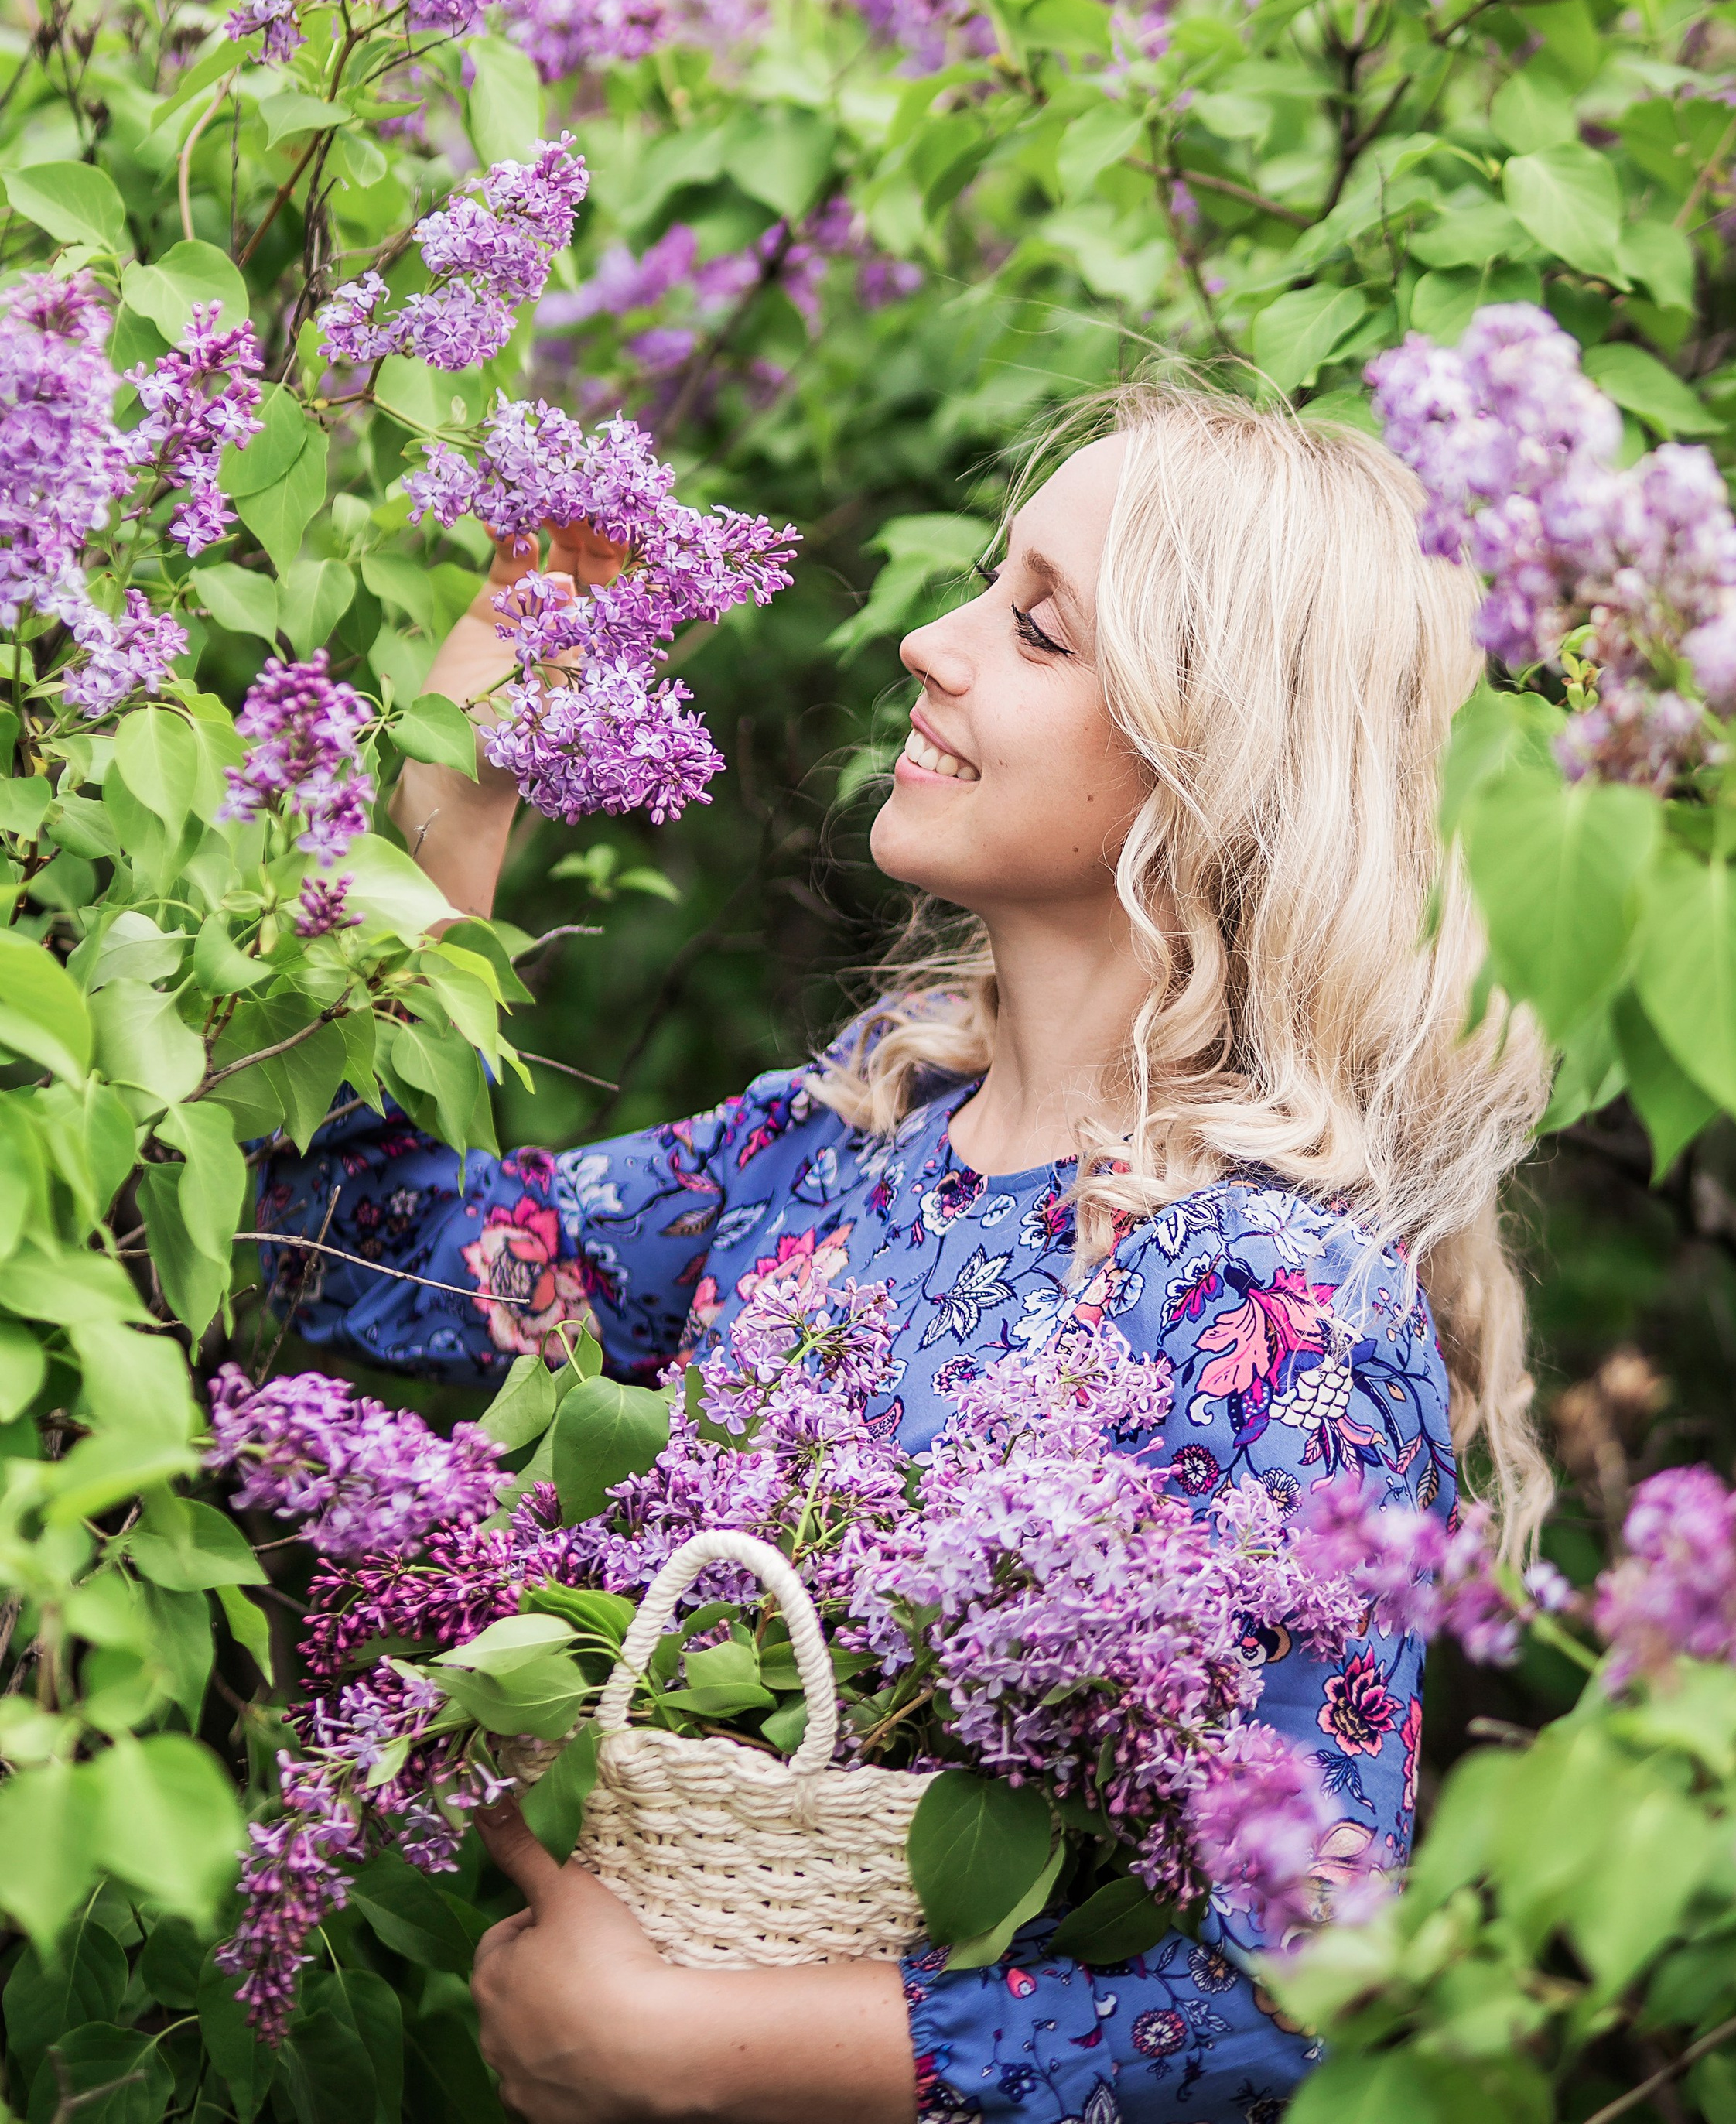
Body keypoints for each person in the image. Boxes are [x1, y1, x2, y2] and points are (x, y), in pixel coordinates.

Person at [258, 384, 1553, 2124]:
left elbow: (1293, 1993)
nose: (933, 646)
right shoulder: (830, 1145)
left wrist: (688, 2055)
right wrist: (452, 794)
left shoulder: (1275, 1310)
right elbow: (346, 1248)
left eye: (1034, 629)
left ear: (1211, 753)